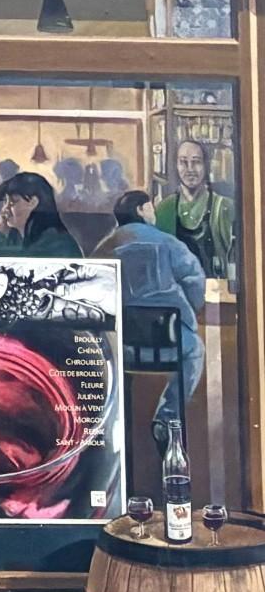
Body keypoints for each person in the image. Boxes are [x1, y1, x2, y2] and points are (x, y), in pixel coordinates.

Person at [104, 189, 208, 446]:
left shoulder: (105, 247)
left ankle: (113, 419)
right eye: (150, 207)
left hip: (124, 348)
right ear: (140, 209)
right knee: (196, 351)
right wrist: (189, 312)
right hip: (171, 345)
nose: (154, 212)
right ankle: (168, 415)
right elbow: (195, 280)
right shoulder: (168, 243)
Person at [158, 138, 238, 283]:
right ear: (176, 165)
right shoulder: (165, 208)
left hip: (215, 292)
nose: (190, 169)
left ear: (206, 166)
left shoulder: (225, 206)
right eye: (183, 162)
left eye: (196, 162)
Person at [0, 170, 78, 257]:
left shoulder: (57, 242)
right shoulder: (15, 237)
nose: (5, 208)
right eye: (5, 201)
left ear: (33, 202)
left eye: (13, 201)